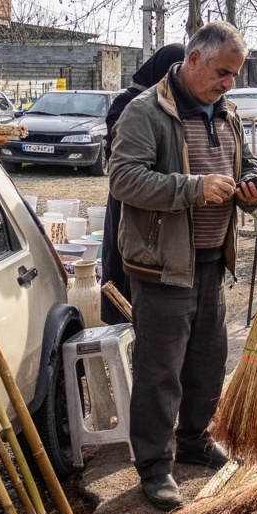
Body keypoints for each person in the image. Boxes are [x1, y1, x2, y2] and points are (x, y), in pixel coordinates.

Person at [109, 22, 257, 511]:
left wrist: (251, 185)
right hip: (161, 265)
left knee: (207, 360)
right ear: (193, 59)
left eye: (235, 75)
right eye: (222, 72)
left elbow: (243, 166)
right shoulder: (145, 111)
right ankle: (155, 466)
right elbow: (124, 179)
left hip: (211, 260)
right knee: (160, 371)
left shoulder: (227, 113)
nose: (228, 84)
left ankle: (194, 440)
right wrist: (193, 188)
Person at [99, 43, 187, 325]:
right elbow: (124, 161)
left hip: (162, 200)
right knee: (125, 268)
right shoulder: (130, 104)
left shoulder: (173, 103)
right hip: (131, 200)